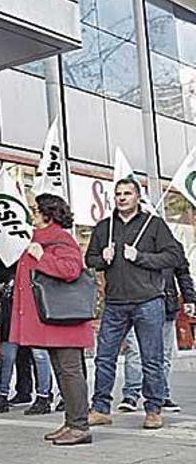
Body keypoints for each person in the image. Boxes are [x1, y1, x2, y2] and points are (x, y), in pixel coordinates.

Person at [86, 178, 182, 430]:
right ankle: (100, 408)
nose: (122, 197)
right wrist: (101, 259)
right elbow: (90, 258)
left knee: (152, 358)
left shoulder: (154, 225)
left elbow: (173, 256)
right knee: (104, 357)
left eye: (127, 193)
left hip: (148, 301)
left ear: (137, 197)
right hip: (115, 302)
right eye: (118, 194)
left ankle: (153, 409)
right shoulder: (104, 227)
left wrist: (141, 257)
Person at [12, 194, 94, 445]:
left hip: (64, 318)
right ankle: (71, 422)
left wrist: (41, 257)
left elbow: (71, 269)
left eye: (36, 210)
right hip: (54, 319)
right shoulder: (40, 239)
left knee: (70, 371)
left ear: (49, 213)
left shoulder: (59, 239)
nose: (32, 214)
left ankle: (80, 426)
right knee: (62, 371)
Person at [117, 240, 194, 414]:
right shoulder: (131, 240)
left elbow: (183, 273)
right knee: (135, 351)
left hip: (166, 304)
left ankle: (161, 394)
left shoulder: (172, 245)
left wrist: (189, 298)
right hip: (134, 303)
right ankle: (131, 394)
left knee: (163, 354)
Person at [0, 255, 54, 416]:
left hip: (33, 311)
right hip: (12, 312)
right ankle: (2, 395)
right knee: (7, 356)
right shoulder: (9, 256)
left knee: (39, 355)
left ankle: (43, 396)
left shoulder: (35, 252)